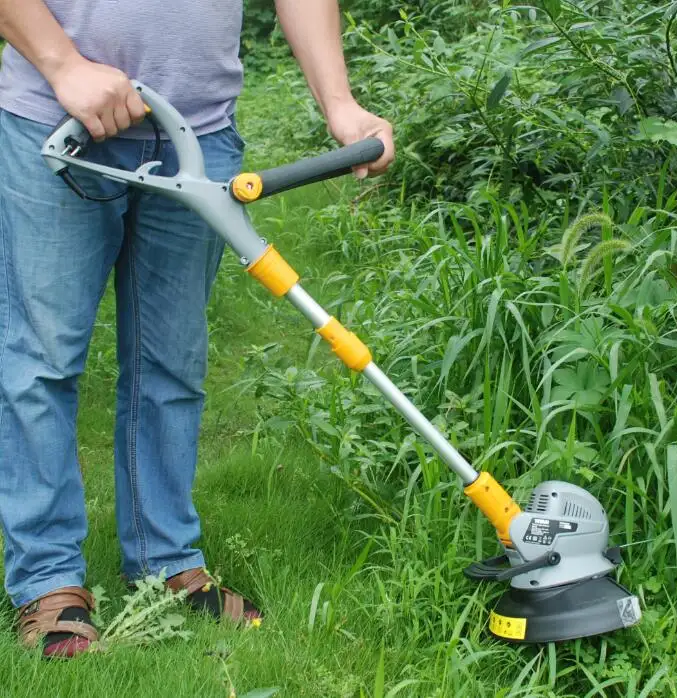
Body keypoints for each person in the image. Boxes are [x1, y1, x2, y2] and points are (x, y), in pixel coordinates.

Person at [0, 0, 395, 658]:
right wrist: (62, 61)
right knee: (40, 363)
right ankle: (49, 582)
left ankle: (167, 565)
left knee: (171, 364)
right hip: (54, 121)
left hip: (199, 132)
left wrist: (341, 103)